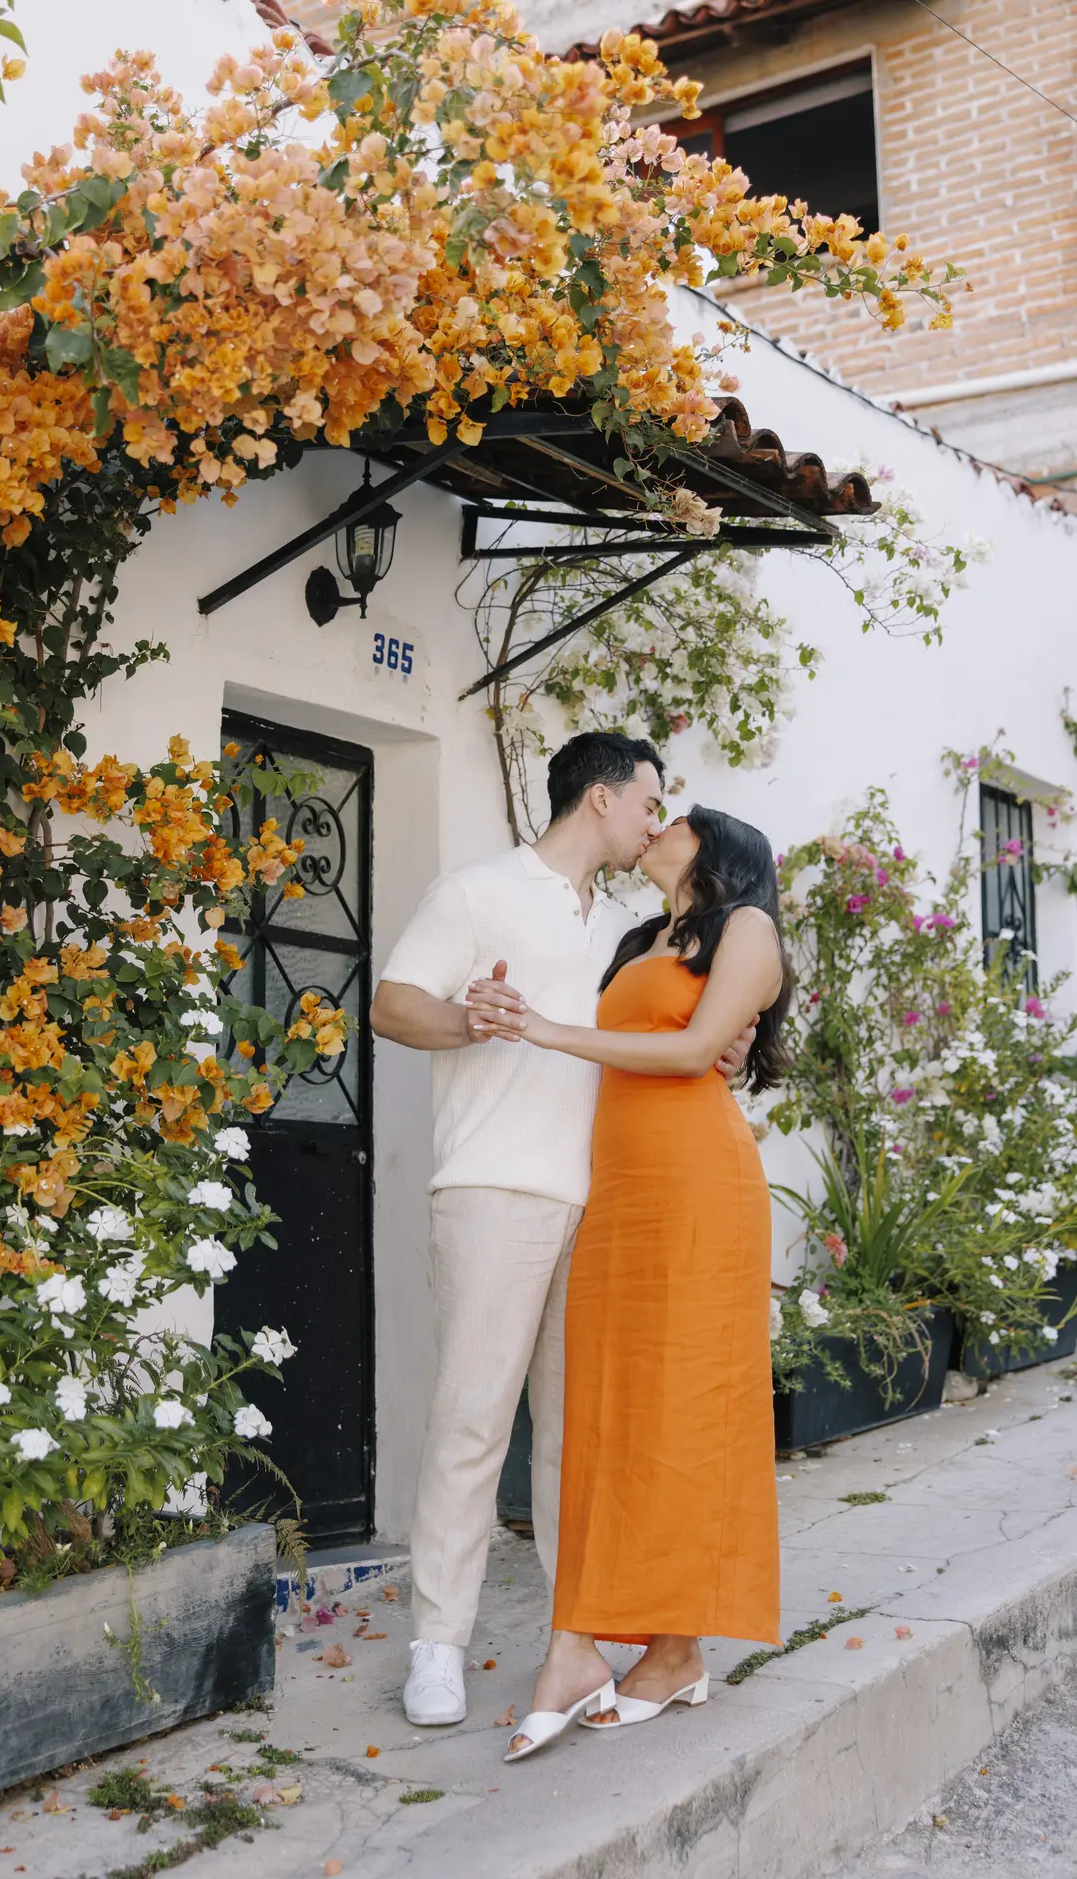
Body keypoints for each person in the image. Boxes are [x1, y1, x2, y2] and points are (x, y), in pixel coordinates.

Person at [370, 736, 755, 1727]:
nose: (656, 820)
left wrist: (728, 1037)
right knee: (470, 1417)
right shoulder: (477, 889)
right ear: (599, 797)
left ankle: (572, 1637)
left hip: (608, 1205)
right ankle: (437, 1644)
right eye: (649, 800)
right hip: (495, 1185)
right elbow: (390, 1004)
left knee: (578, 1440)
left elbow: (676, 1032)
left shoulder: (632, 928)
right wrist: (473, 1021)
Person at [466, 805, 790, 1763]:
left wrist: (548, 1032)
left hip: (697, 1187)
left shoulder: (749, 929)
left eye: (676, 818)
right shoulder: (642, 938)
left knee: (684, 1410)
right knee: (612, 1409)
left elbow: (697, 1054)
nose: (656, 825)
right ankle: (653, 1646)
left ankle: (622, 1646)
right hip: (624, 1189)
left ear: (721, 848)